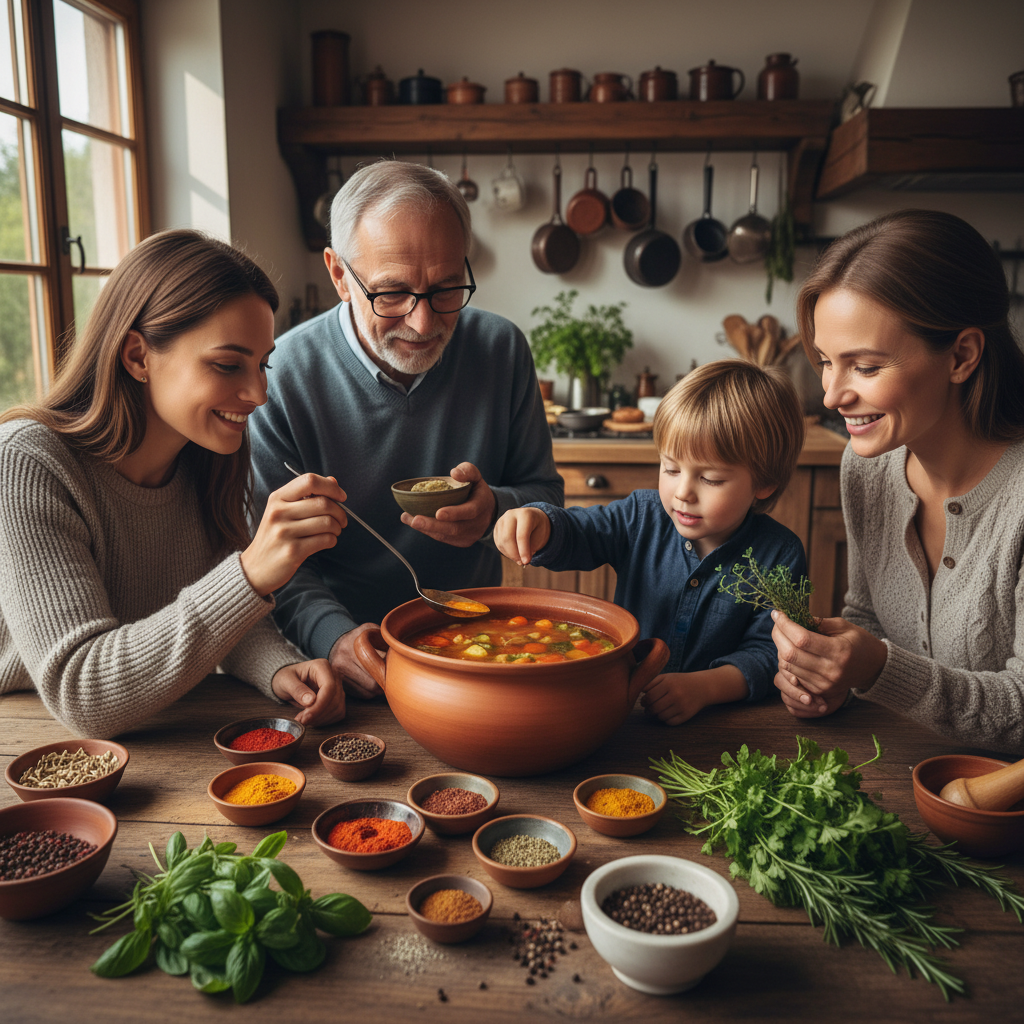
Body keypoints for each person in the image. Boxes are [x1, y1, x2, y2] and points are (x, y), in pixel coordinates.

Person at [0, 229, 352, 737]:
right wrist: (251, 571)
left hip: (148, 733)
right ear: (138, 356)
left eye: (261, 364)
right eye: (228, 364)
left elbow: (222, 618)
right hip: (27, 732)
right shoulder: (29, 462)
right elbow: (82, 690)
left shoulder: (206, 457)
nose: (258, 393)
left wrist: (279, 667)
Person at [248, 161, 563, 697]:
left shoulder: (501, 349)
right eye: (391, 294)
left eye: (445, 290)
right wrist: (338, 639)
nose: (423, 324)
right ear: (339, 275)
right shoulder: (279, 375)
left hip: (475, 643)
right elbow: (278, 559)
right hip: (338, 664)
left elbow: (546, 497)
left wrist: (496, 512)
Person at [771, 209, 1024, 755]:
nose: (831, 395)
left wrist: (878, 667)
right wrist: (833, 677)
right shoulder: (868, 467)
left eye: (864, 367)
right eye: (824, 361)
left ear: (961, 355)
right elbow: (868, 617)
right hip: (894, 776)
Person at [494, 360, 807, 725]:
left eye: (710, 478)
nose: (683, 493)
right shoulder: (641, 515)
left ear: (764, 483)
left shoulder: (780, 554)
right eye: (671, 469)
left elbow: (771, 652)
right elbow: (582, 532)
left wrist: (703, 688)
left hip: (720, 725)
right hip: (621, 712)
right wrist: (539, 521)